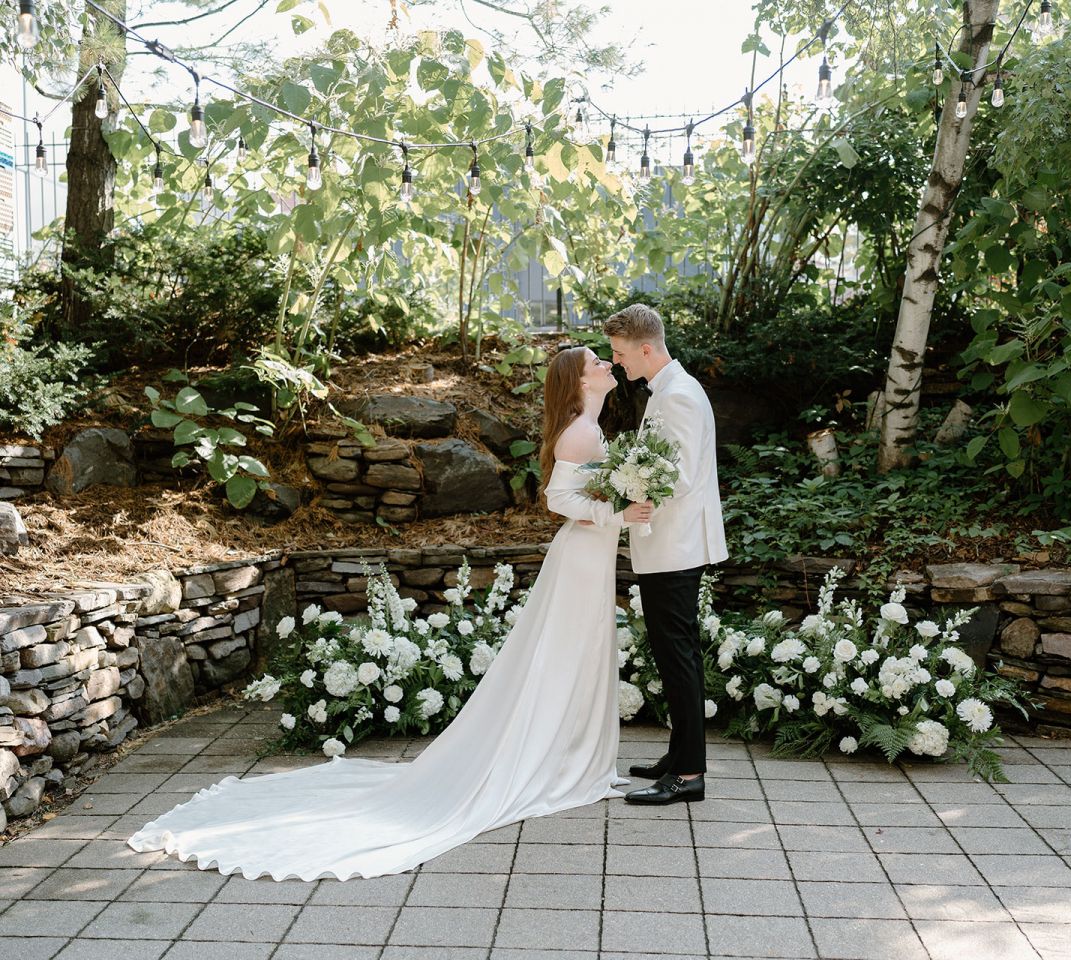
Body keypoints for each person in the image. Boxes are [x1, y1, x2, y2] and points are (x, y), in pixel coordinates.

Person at [127, 346, 651, 881]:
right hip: (582, 559)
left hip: (589, 557)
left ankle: (574, 756)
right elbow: (559, 501)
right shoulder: (581, 432)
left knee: (578, 654)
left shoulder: (588, 426)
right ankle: (565, 760)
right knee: (571, 655)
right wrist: (621, 511)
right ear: (578, 381)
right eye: (597, 363)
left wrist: (619, 508)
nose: (607, 367)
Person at [604, 303, 728, 805]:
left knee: (677, 654)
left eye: (620, 353)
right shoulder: (670, 391)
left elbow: (676, 475)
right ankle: (680, 755)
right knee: (674, 650)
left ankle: (690, 774)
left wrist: (624, 487)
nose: (617, 363)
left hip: (675, 544)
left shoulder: (678, 397)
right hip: (670, 544)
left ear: (646, 349)